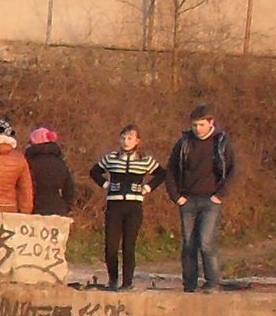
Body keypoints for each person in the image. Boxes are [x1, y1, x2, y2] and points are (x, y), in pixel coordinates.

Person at [166, 104, 235, 293]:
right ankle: (189, 283)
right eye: (195, 125)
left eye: (201, 124)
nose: (198, 129)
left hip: (210, 200)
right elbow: (170, 170)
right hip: (187, 199)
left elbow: (233, 170)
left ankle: (213, 282)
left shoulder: (220, 142)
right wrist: (176, 197)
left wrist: (219, 195)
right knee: (189, 243)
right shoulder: (184, 142)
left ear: (211, 123)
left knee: (206, 241)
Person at [90, 125, 158, 290]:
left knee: (129, 245)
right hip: (114, 205)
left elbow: (162, 174)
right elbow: (94, 172)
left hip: (134, 206)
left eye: (129, 138)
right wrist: (106, 184)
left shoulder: (144, 160)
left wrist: (147, 188)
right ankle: (113, 279)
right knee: (111, 245)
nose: (126, 142)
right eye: (123, 138)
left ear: (137, 141)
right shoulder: (112, 158)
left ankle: (127, 282)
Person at [22, 126, 75, 221]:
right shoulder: (60, 162)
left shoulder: (27, 162)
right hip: (57, 209)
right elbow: (69, 188)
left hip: (34, 208)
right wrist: (66, 207)